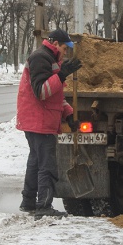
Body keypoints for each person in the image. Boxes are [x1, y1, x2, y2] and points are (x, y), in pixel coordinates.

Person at [16, 29, 82, 219]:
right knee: (47, 165)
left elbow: (55, 96)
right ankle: (44, 206)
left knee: (36, 162)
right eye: (64, 47)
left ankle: (28, 202)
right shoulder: (40, 58)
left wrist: (68, 114)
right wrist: (61, 75)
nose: (66, 52)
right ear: (54, 43)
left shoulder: (50, 59)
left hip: (40, 119)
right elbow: (42, 92)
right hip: (39, 120)